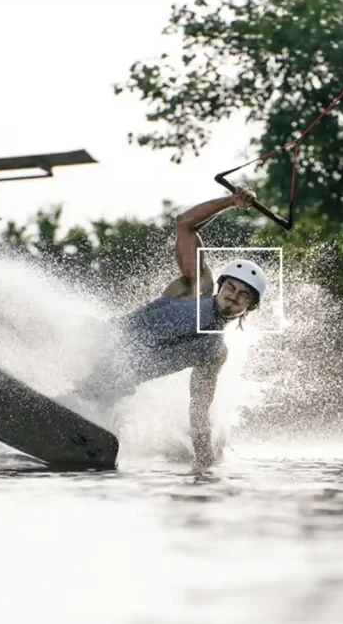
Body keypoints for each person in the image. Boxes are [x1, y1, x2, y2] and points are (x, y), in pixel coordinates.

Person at [70, 184, 267, 467]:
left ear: (249, 308)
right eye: (231, 288)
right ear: (221, 285)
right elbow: (185, 224)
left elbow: (199, 410)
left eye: (243, 296)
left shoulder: (214, 353)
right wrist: (231, 202)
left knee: (97, 397)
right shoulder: (196, 287)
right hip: (94, 344)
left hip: (106, 391)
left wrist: (205, 462)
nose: (233, 298)